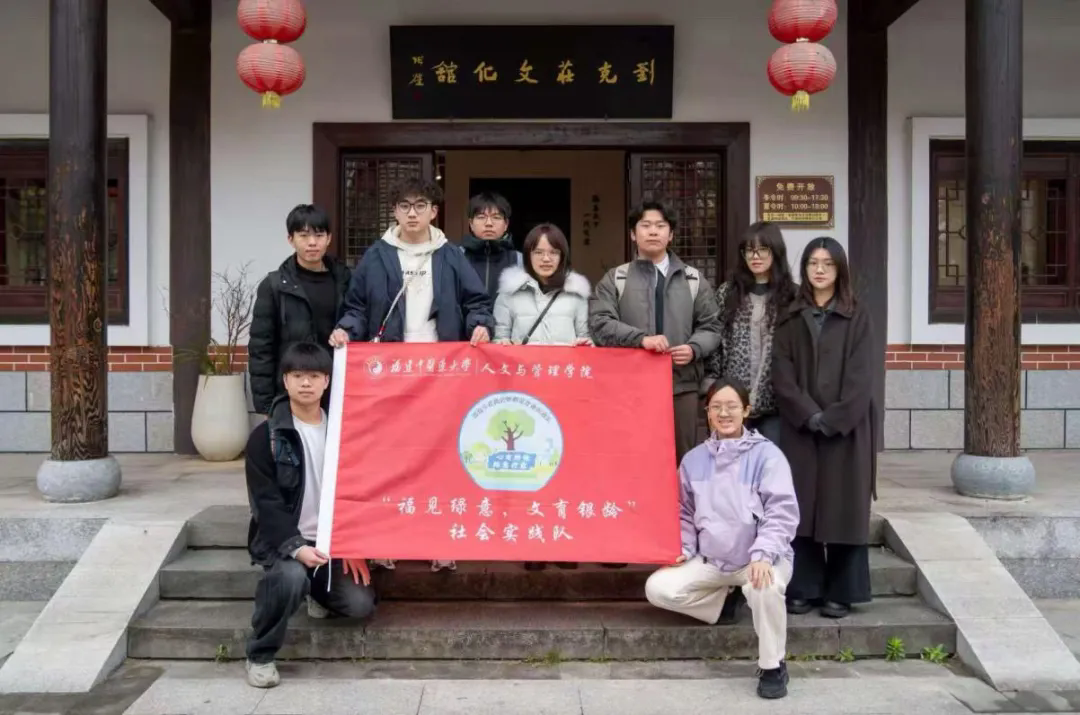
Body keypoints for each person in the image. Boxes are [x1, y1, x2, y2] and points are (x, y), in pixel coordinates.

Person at [329, 177, 493, 572]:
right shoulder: (376, 255)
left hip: (441, 367)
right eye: (404, 206)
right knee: (391, 453)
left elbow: (476, 301)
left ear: (434, 211)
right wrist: (346, 329)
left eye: (421, 205)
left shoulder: (451, 255)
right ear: (395, 211)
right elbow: (356, 306)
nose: (413, 213)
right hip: (391, 368)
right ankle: (388, 538)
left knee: (438, 451)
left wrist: (480, 324)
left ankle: (439, 540)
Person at [644, 377, 798, 700]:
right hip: (712, 560)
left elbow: (781, 512)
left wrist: (763, 555)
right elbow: (684, 512)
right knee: (658, 588)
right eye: (716, 407)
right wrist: (684, 549)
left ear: (746, 410)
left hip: (758, 559)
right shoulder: (693, 460)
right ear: (708, 412)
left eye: (731, 407)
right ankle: (723, 600)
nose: (724, 414)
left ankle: (772, 665)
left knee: (766, 587)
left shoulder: (768, 457)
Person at [244, 342, 375, 689]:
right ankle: (260, 655)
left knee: (359, 604)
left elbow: (361, 490)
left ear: (327, 381)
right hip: (286, 543)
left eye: (314, 376)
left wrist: (354, 544)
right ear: (285, 380)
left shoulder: (345, 431)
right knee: (290, 579)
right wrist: (297, 548)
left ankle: (316, 591)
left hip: (331, 542)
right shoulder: (266, 437)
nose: (306, 383)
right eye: (298, 375)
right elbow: (265, 504)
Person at [771, 237, 877, 619]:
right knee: (802, 504)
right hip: (800, 426)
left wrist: (833, 418)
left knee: (844, 505)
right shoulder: (790, 315)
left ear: (839, 269)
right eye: (813, 263)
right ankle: (804, 586)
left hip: (848, 428)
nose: (819, 270)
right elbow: (781, 373)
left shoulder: (857, 315)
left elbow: (863, 376)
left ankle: (843, 591)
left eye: (828, 263)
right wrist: (808, 414)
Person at [590, 199, 722, 464]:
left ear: (670, 234)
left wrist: (694, 348)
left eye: (660, 226)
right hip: (629, 388)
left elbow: (712, 326)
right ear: (633, 233)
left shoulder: (693, 279)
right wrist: (641, 340)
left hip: (682, 387)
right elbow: (600, 323)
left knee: (683, 462)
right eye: (645, 225)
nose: (653, 231)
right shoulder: (616, 278)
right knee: (632, 460)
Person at [493, 222, 591, 572]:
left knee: (565, 467)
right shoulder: (509, 294)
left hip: (566, 394)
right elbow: (499, 338)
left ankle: (563, 540)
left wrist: (586, 346)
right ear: (527, 255)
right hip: (525, 397)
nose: (546, 258)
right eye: (538, 252)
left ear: (563, 256)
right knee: (531, 469)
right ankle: (532, 542)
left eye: (553, 252)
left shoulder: (577, 295)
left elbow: (586, 337)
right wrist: (503, 346)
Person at [248, 204, 352, 415]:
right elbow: (261, 349)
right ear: (291, 239)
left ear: (329, 238)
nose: (312, 242)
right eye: (303, 236)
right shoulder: (275, 286)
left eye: (319, 235)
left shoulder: (346, 280)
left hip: (338, 387)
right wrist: (266, 405)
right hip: (293, 391)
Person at [705, 221, 797, 443]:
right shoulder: (728, 293)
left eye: (762, 249)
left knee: (770, 460)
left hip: (776, 403)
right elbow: (716, 343)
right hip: (733, 402)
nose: (755, 256)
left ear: (776, 251)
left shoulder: (792, 296)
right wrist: (713, 386)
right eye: (749, 250)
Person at [460, 191, 522, 300]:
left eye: (496, 217)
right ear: (471, 224)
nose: (489, 223)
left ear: (506, 224)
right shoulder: (457, 256)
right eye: (481, 217)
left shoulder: (519, 260)